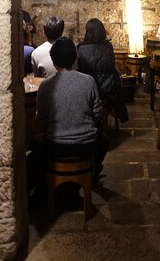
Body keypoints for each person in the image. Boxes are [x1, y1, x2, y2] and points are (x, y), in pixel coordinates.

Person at [35, 37, 108, 176]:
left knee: (35, 143)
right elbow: (98, 113)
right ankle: (93, 171)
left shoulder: (45, 86)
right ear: (74, 58)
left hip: (56, 146)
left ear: (53, 60)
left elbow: (41, 119)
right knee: (104, 140)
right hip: (87, 145)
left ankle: (48, 179)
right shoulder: (88, 81)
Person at [77, 18, 129, 123]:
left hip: (90, 89)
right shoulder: (108, 46)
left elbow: (81, 70)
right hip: (108, 90)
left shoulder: (81, 48)